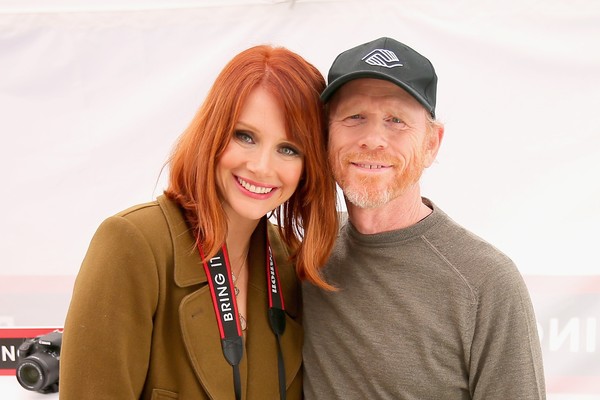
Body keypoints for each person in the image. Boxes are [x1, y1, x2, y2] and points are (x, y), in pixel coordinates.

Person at [59, 44, 339, 399]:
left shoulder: (291, 265)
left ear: (308, 166)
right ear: (214, 133)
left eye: (289, 148)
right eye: (245, 136)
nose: (262, 167)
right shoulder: (132, 243)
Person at [302, 37, 546, 399]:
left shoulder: (486, 284)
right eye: (355, 117)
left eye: (396, 121)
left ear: (431, 144)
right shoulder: (305, 253)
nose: (373, 139)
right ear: (324, 135)